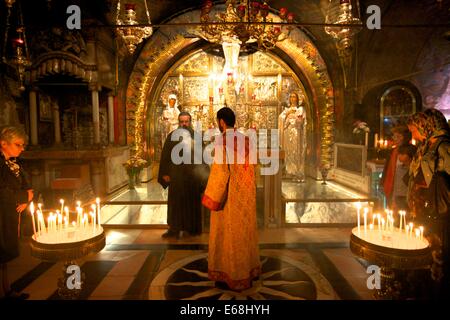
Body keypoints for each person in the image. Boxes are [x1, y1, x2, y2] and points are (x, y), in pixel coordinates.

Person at [202, 107, 260, 291]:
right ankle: (248, 273)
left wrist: (211, 197)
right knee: (245, 234)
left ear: (221, 122)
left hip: (229, 198)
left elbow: (220, 173)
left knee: (227, 236)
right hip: (246, 197)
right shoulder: (247, 140)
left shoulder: (222, 141)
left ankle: (229, 275)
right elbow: (254, 168)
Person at [407, 109, 450, 298]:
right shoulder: (427, 145)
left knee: (438, 251)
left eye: (415, 129)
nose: (413, 134)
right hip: (424, 207)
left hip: (438, 209)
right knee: (424, 248)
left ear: (427, 126)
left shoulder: (444, 145)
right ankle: (422, 287)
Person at [158, 112, 207, 239]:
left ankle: (192, 229)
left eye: (186, 121)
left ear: (190, 122)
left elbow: (202, 156)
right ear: (178, 122)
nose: (184, 124)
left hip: (193, 177)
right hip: (177, 177)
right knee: (176, 204)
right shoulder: (172, 136)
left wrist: (203, 176)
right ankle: (174, 229)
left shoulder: (196, 137)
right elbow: (165, 156)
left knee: (192, 203)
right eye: (182, 122)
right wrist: (165, 173)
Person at [0, 126, 33, 299]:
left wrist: (28, 195)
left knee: (4, 257)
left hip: (8, 213)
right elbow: (3, 189)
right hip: (1, 215)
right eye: (18, 145)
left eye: (22, 145)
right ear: (3, 143)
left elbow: (23, 182)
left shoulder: (11, 162)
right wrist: (23, 195)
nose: (21, 148)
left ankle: (7, 290)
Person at [380, 125, 412, 208]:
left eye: (399, 136)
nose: (396, 138)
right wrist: (383, 183)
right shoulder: (394, 151)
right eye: (395, 136)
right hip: (392, 189)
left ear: (406, 137)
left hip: (404, 191)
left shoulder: (411, 150)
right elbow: (387, 169)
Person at [278, 92, 307, 182]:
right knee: (288, 151)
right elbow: (281, 119)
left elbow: (302, 121)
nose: (292, 98)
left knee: (296, 151)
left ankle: (296, 172)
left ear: (297, 99)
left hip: (296, 132)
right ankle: (288, 171)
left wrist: (296, 118)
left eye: (294, 97)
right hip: (287, 132)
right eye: (291, 97)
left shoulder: (300, 109)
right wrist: (288, 114)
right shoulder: (286, 110)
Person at [394, 144, 417, 211]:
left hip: (410, 198)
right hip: (399, 196)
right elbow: (396, 184)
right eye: (399, 154)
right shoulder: (399, 168)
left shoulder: (415, 170)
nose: (399, 156)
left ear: (411, 155)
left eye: (403, 154)